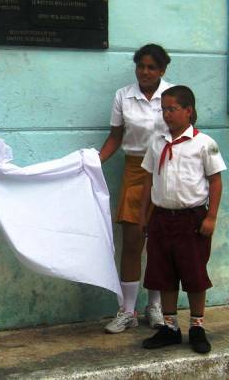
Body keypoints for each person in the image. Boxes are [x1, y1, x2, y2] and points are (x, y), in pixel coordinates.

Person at [140, 85, 226, 354]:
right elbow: (147, 181)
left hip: (192, 219)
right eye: (163, 109)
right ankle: (170, 327)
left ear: (188, 111)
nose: (167, 114)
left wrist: (211, 217)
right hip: (162, 218)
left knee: (194, 274)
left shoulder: (204, 144)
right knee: (164, 273)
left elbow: (215, 181)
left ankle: (197, 326)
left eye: (172, 109)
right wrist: (144, 216)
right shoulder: (157, 142)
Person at [100, 44, 173, 334]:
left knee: (160, 243)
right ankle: (127, 310)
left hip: (167, 169)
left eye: (151, 67)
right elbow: (115, 137)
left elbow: (186, 134)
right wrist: (93, 162)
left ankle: (154, 307)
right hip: (134, 170)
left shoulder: (173, 95)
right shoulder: (123, 96)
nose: (145, 72)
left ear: (162, 70)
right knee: (132, 240)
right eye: (140, 66)